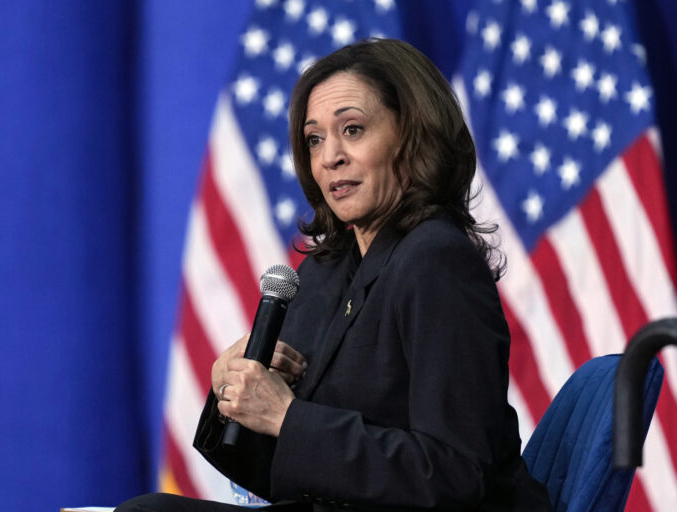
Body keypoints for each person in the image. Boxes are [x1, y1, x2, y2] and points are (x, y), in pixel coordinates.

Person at [116, 38, 551, 512]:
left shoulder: (437, 261)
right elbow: (282, 469)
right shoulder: (329, 268)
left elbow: (455, 472)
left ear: (413, 136)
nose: (329, 157)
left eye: (353, 130)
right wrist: (237, 397)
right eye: (315, 139)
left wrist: (287, 416)